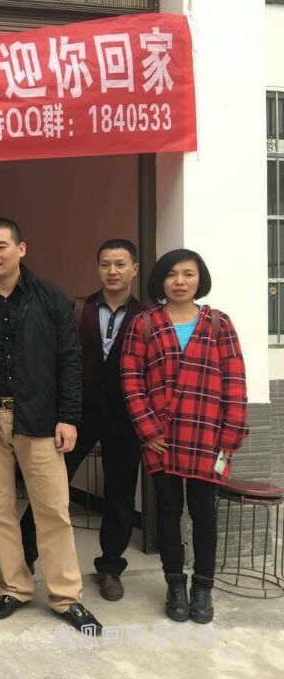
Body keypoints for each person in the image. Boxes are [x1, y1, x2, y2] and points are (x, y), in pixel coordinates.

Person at [0, 217, 102, 634]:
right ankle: (13, 586)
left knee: (53, 509)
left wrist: (69, 417)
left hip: (40, 418)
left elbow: (70, 360)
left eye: (1, 246)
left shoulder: (49, 297)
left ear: (21, 249)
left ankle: (66, 596)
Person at [0, 239, 148, 602]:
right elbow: (60, 360)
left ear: (134, 270)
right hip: (76, 417)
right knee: (49, 491)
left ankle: (110, 567)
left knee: (120, 494)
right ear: (98, 268)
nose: (112, 271)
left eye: (120, 264)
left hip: (125, 419)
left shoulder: (147, 317)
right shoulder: (77, 309)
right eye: (105, 264)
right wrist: (62, 413)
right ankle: (22, 559)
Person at [121, 249, 248, 624]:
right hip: (162, 439)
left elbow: (235, 381)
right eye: (171, 274)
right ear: (160, 281)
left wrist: (231, 435)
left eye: (188, 274)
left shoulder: (219, 324)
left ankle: (203, 587)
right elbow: (131, 380)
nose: (180, 281)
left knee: (205, 513)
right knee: (168, 511)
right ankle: (175, 583)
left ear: (199, 279)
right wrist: (147, 429)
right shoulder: (145, 324)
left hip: (208, 437)